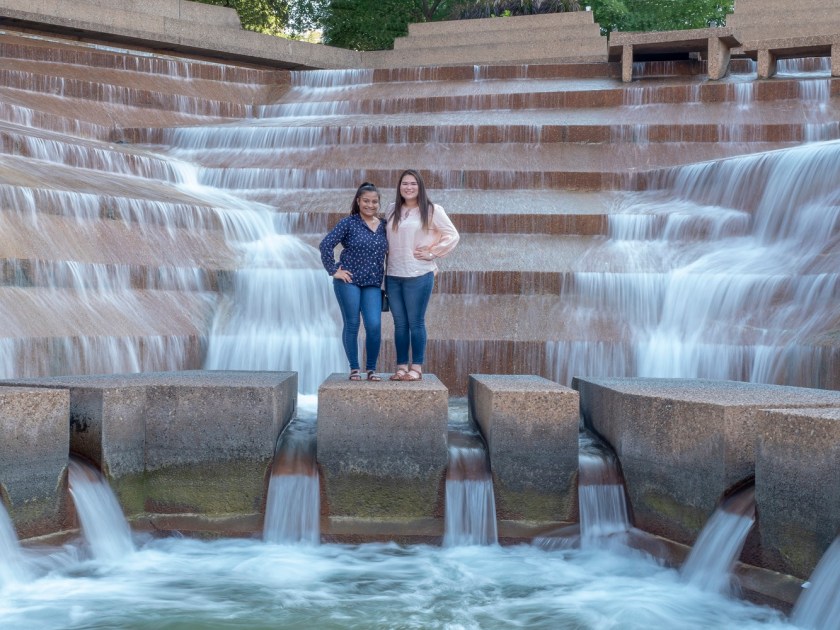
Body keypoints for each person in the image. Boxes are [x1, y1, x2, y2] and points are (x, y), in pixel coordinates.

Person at [385, 169, 459, 381]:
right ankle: (401, 367)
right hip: (393, 274)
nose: (408, 187)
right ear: (399, 187)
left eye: (413, 184)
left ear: (420, 187)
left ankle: (416, 368)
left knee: (416, 322)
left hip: (418, 273)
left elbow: (452, 235)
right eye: (405, 183)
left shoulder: (432, 210)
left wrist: (432, 252)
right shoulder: (392, 209)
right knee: (399, 323)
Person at [319, 182, 388, 381]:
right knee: (352, 323)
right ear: (358, 201)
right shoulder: (348, 223)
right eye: (366, 201)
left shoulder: (384, 226)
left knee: (374, 325)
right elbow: (326, 245)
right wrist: (334, 270)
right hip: (349, 281)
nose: (370, 205)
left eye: (374, 201)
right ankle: (354, 368)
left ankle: (372, 369)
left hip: (372, 283)